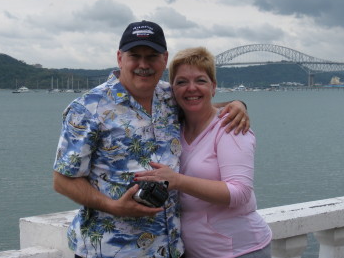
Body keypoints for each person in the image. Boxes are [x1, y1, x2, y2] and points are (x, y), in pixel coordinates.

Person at [53, 21, 250, 258]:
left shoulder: (169, 97)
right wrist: (114, 206)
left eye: (152, 56)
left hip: (170, 249)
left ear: (164, 59)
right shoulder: (87, 109)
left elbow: (202, 106)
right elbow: (62, 180)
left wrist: (237, 105)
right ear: (119, 58)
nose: (143, 65)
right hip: (109, 251)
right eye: (135, 56)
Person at [135, 47, 272, 258]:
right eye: (181, 82)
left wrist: (177, 181)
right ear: (172, 89)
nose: (191, 88)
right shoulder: (173, 127)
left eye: (200, 80)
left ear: (214, 86)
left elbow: (240, 193)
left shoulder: (230, 128)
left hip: (239, 251)